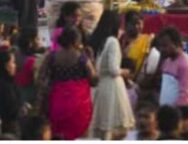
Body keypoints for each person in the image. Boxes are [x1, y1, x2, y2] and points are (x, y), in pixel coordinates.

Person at [38, 26, 96, 139]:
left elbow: (41, 78)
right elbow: (94, 80)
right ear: (75, 40)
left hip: (57, 102)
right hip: (79, 104)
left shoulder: (52, 57)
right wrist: (92, 60)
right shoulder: (82, 58)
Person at [89, 8, 135, 139]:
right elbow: (113, 69)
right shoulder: (113, 41)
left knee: (103, 128)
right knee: (113, 129)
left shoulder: (101, 41)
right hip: (112, 87)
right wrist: (125, 72)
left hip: (101, 86)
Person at [0, 49, 24, 137]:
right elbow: (13, 111)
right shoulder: (7, 88)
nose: (15, 66)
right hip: (8, 131)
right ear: (6, 66)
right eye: (13, 62)